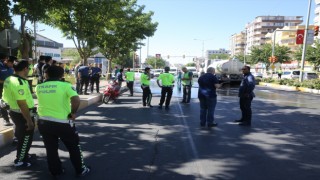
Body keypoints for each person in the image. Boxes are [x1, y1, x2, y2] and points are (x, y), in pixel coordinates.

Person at [36, 66, 91, 177]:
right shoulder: (66, 85)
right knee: (73, 146)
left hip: (43, 122)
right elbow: (76, 99)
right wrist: (73, 113)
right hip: (63, 123)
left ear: (47, 74)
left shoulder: (39, 87)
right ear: (62, 75)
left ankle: (56, 171)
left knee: (51, 149)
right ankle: (81, 169)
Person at [3, 60, 35, 167]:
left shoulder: (9, 79)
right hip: (23, 114)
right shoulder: (19, 83)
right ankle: (20, 160)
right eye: (29, 68)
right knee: (26, 137)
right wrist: (29, 121)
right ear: (25, 69)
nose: (29, 70)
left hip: (14, 111)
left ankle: (24, 154)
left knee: (22, 136)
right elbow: (22, 104)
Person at [0, 53, 15, 126]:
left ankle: (14, 118)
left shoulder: (12, 68)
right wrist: (6, 81)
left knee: (11, 103)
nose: (12, 65)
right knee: (3, 104)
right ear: (7, 61)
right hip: (1, 88)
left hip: (10, 88)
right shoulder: (0, 66)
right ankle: (6, 120)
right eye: (11, 63)